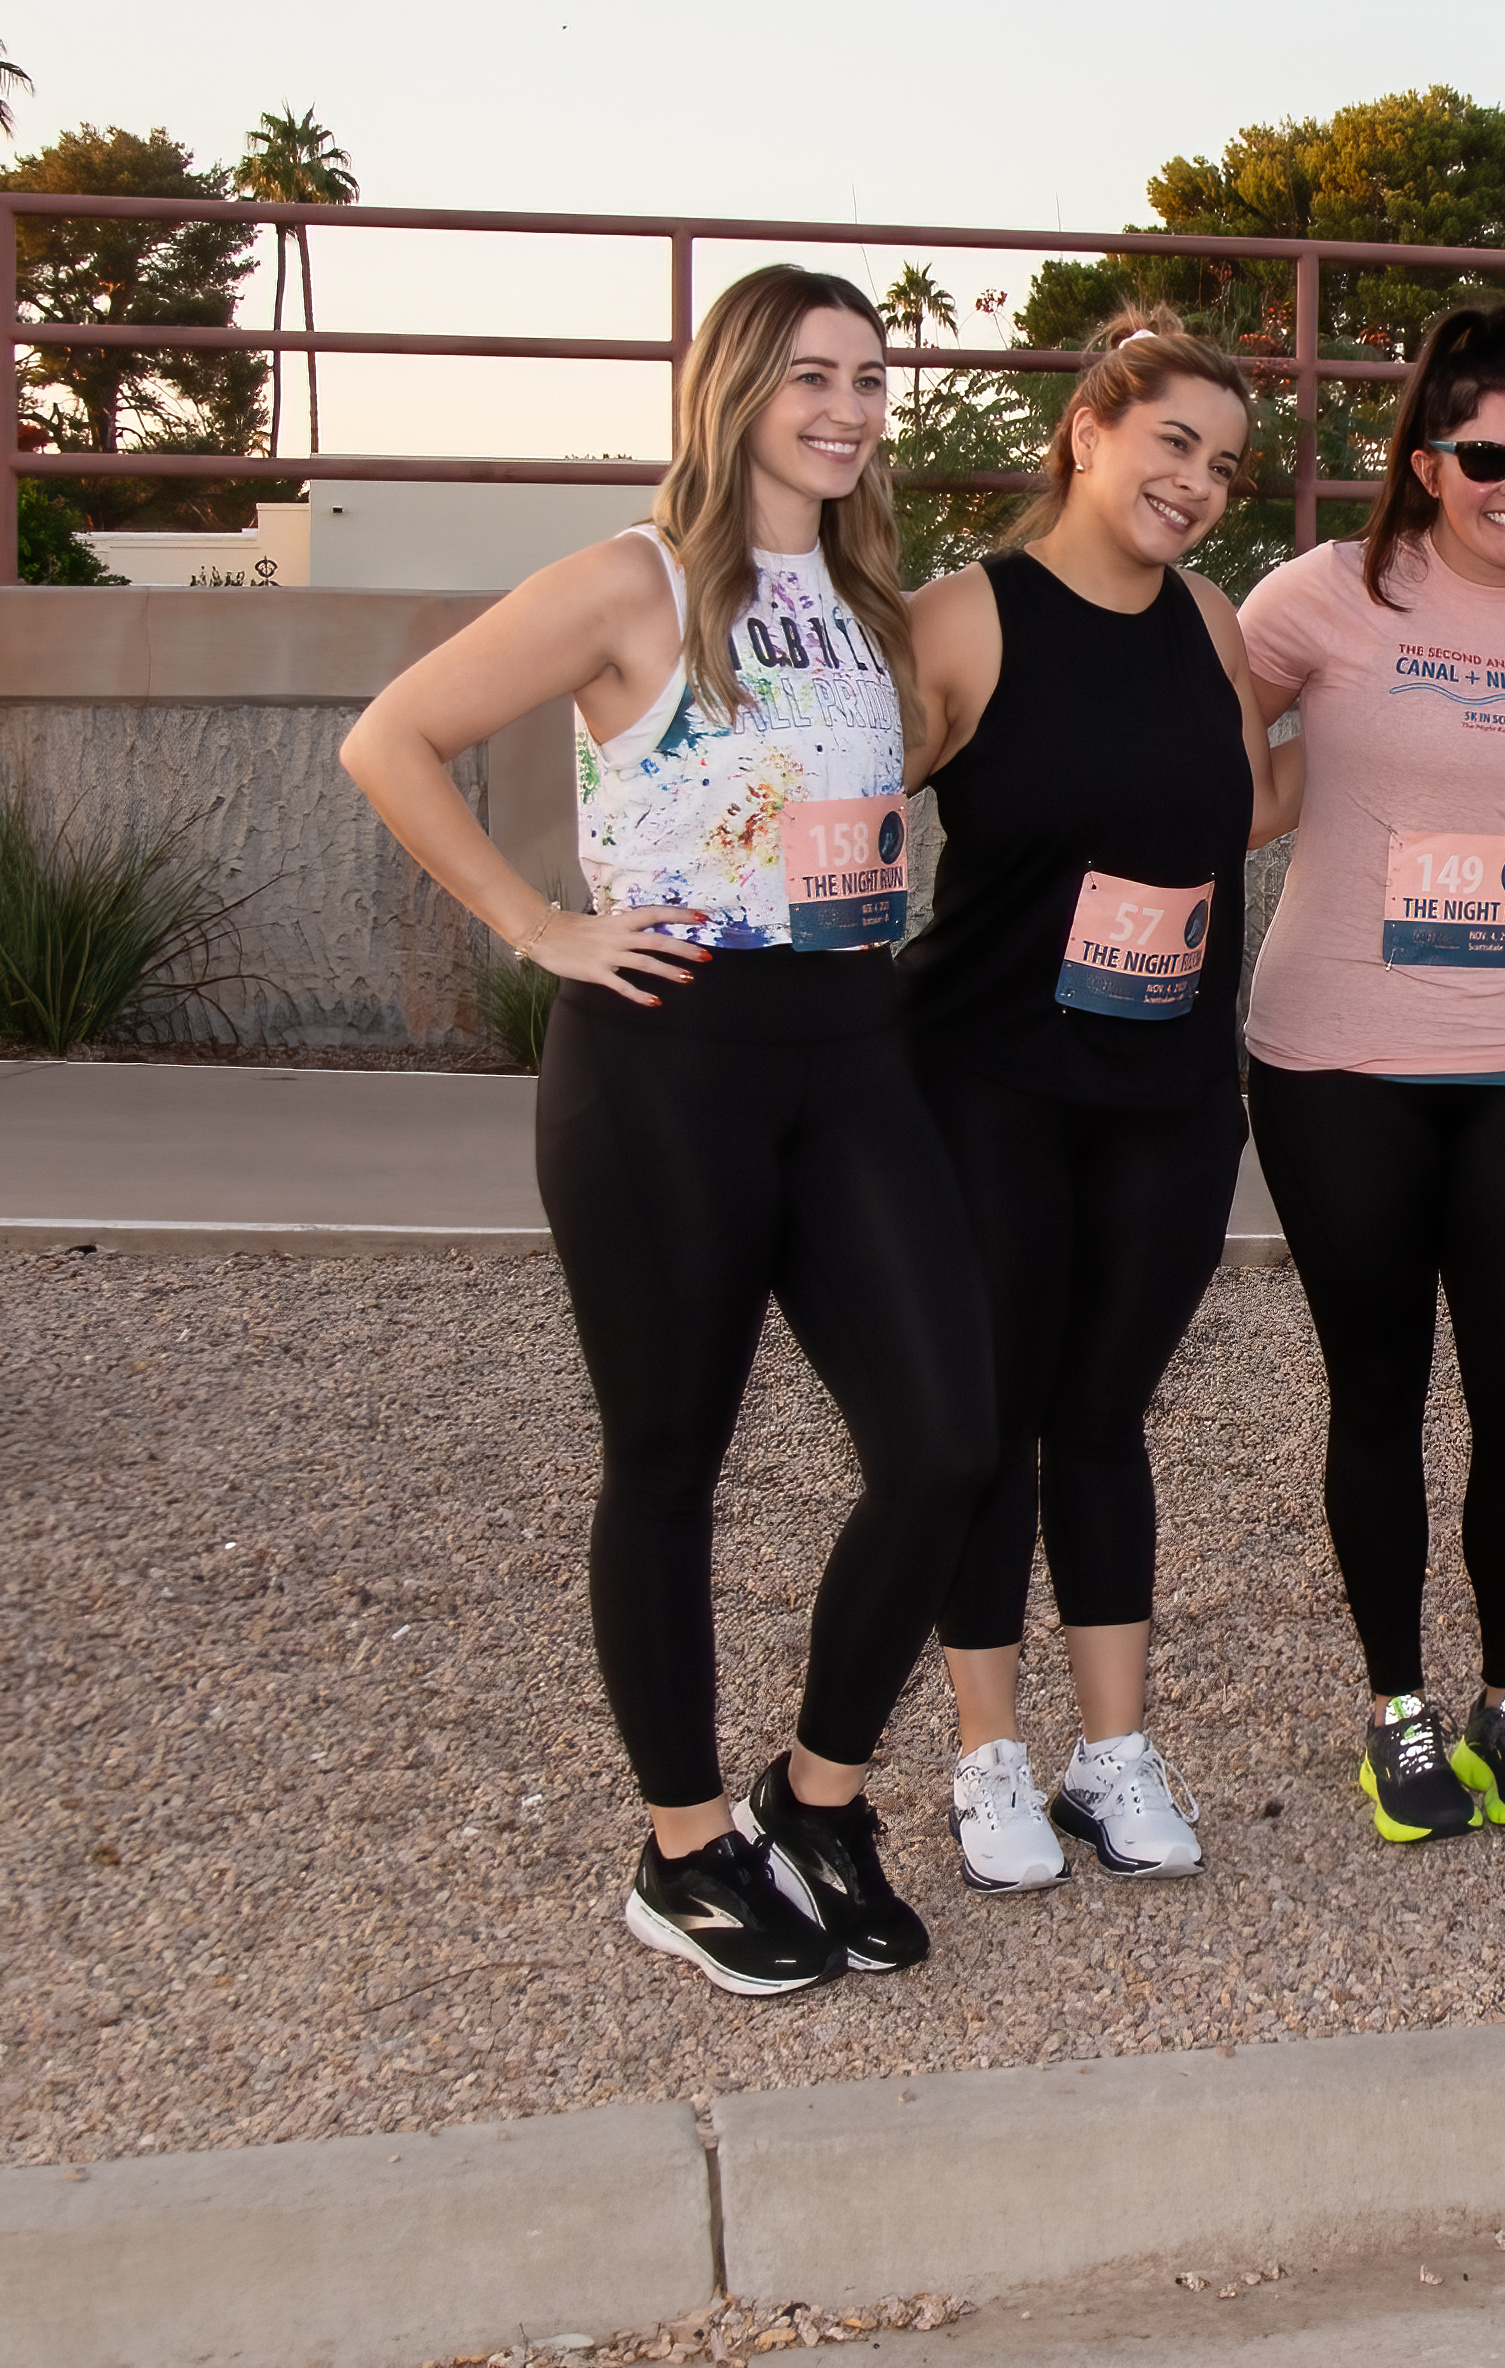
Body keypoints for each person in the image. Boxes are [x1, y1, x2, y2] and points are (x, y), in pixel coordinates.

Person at [341, 265, 996, 1994]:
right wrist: (536, 923)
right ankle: (687, 1845)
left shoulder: (871, 601)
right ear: (732, 390)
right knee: (669, 1460)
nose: (850, 408)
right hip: (667, 1060)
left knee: (944, 1436)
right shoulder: (631, 580)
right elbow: (393, 735)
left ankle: (822, 1795)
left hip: (852, 1054)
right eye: (811, 377)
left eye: (869, 377)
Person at [902, 308, 1273, 1888]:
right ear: (1089, 432)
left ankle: (1110, 1756)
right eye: (1171, 442)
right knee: (984, 1422)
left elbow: (1250, 797)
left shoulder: (1211, 620)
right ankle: (988, 1756)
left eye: (1226, 465)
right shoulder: (966, 617)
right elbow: (840, 813)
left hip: (1169, 1089)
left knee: (1105, 1414)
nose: (1195, 483)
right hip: (988, 1085)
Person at [1237, 305, 1505, 1844]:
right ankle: (1395, 1704)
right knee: (1378, 1389)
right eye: (1484, 456)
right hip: (1336, 1063)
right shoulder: (1321, 596)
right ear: (1424, 460)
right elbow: (1194, 745)